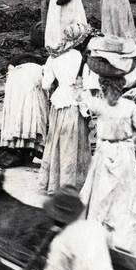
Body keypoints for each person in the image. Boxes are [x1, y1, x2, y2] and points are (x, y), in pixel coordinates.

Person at [81, 63, 136, 252]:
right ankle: (120, 241)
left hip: (104, 151)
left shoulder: (99, 105)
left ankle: (97, 239)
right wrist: (132, 145)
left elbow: (84, 99)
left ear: (103, 88)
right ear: (122, 88)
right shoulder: (129, 106)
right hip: (124, 153)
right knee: (123, 195)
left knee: (100, 195)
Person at [40, 23, 94, 194]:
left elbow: (45, 84)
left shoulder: (53, 57)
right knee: (73, 144)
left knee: (55, 142)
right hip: (74, 102)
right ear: (79, 41)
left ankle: (53, 184)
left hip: (58, 103)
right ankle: (71, 185)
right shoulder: (79, 57)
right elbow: (85, 83)